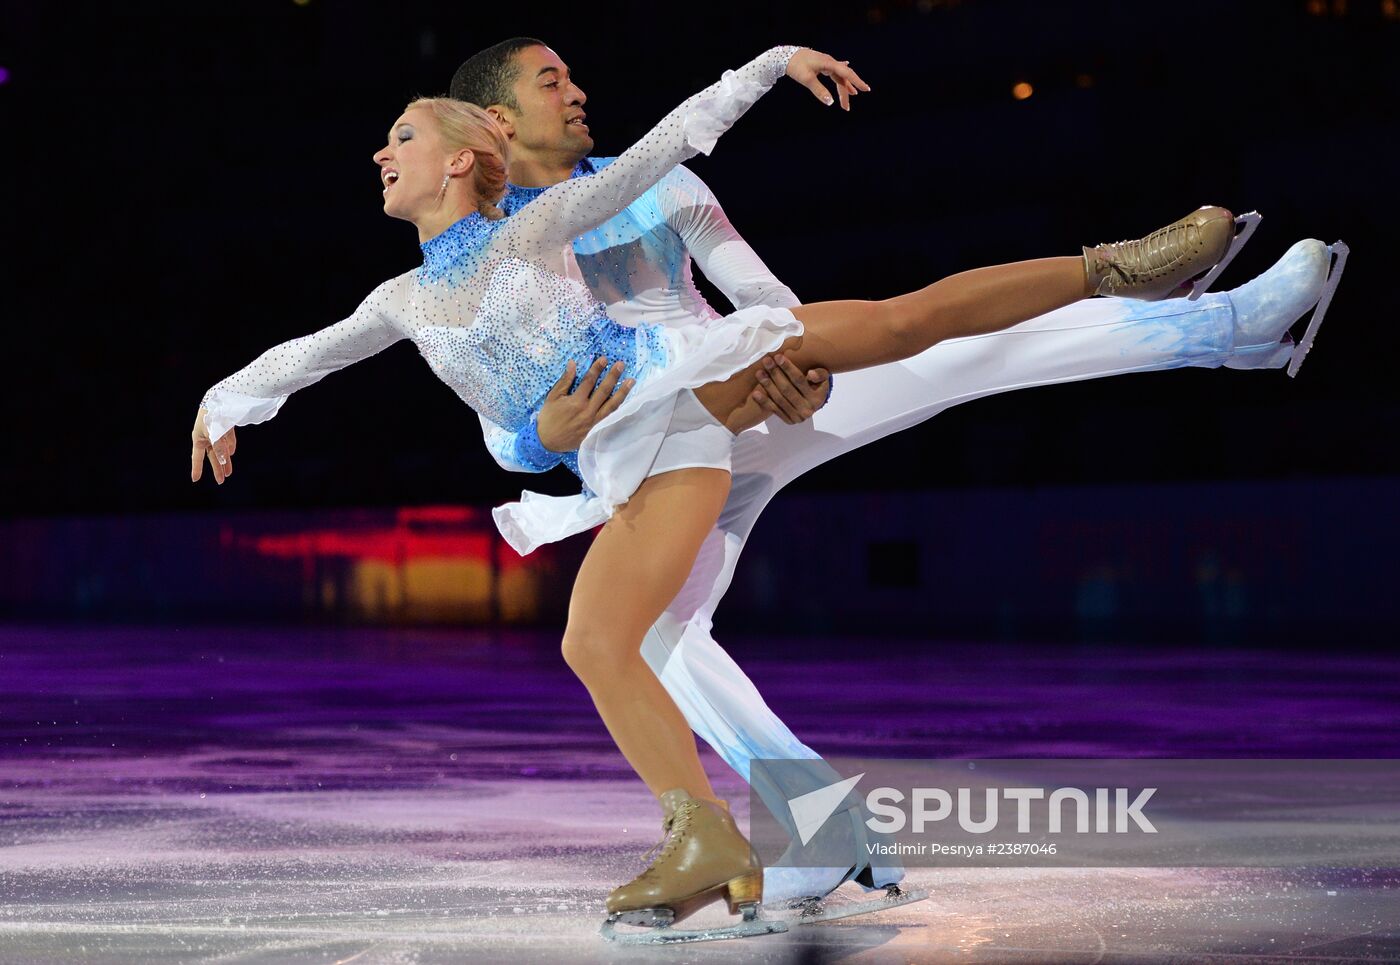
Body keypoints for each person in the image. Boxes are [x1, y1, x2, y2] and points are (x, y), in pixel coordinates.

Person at [190, 45, 1284, 942]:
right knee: (652, 643)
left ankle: (1175, 298)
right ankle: (806, 826)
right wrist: (240, 402)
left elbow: (724, 240)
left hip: (727, 389)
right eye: (549, 83)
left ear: (468, 149)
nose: (574, 93)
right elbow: (452, 400)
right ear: (495, 128)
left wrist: (764, 88)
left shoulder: (595, 202)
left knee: (922, 342)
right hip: (659, 437)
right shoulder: (434, 273)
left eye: (403, 136)